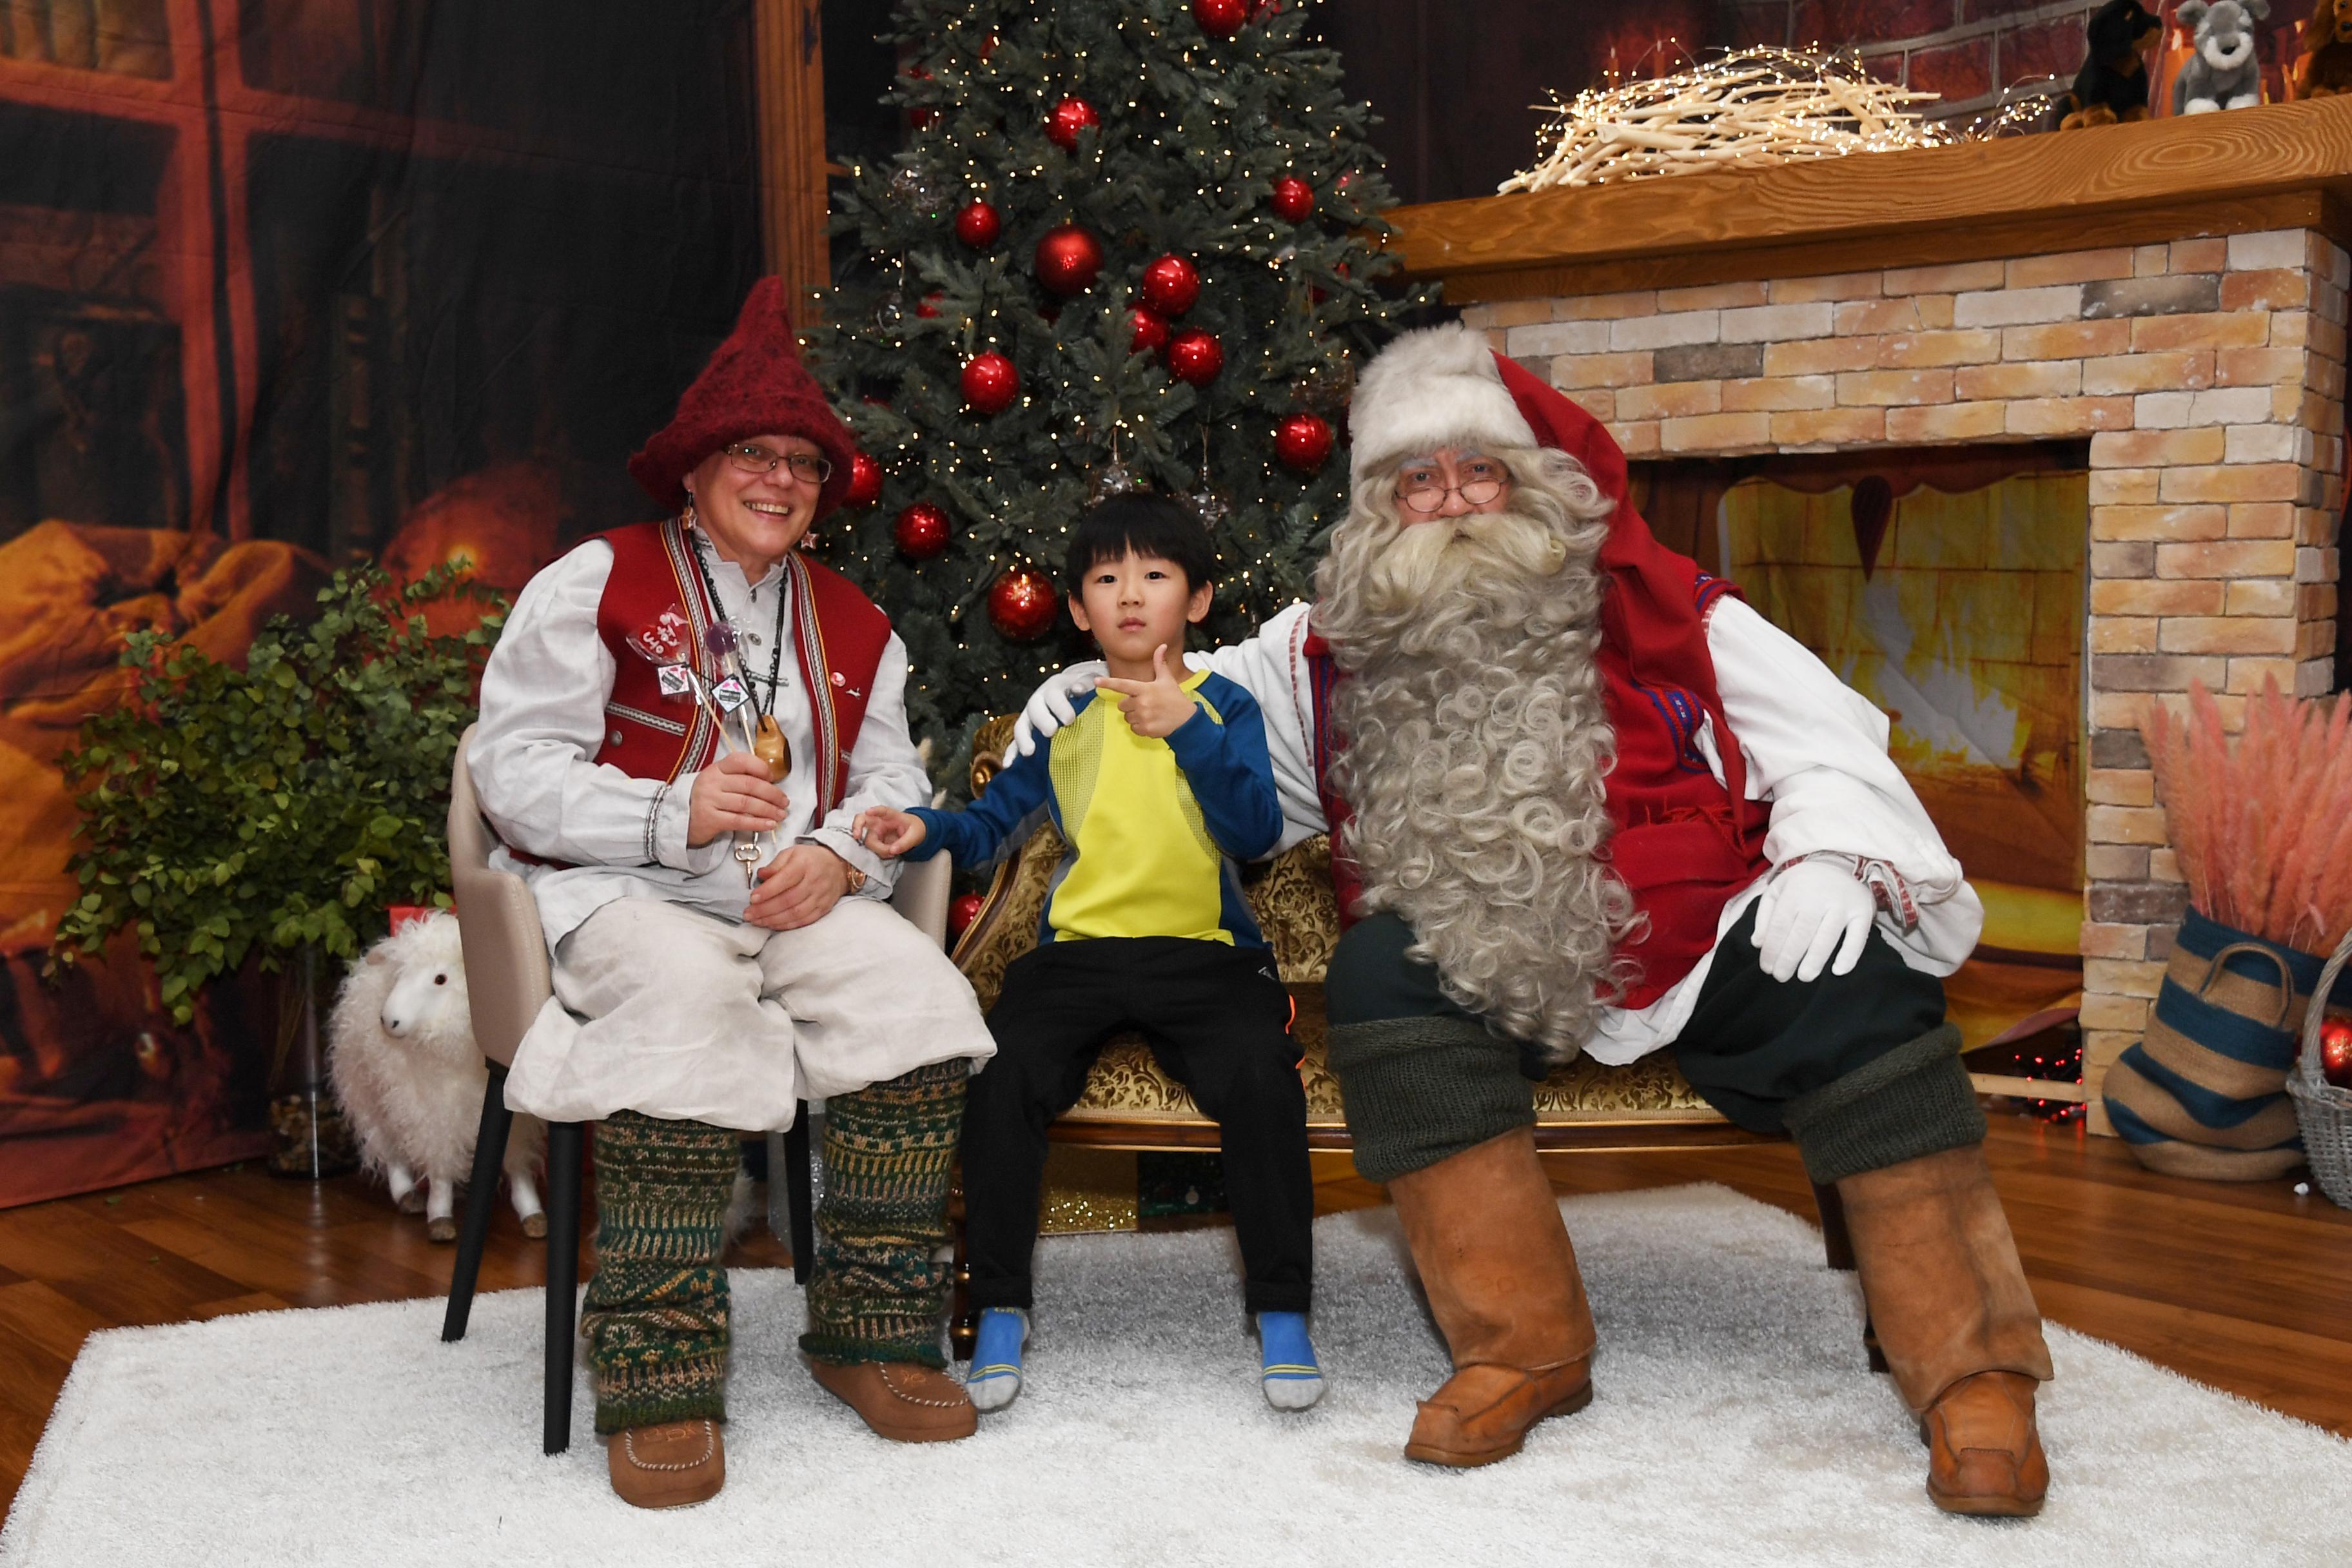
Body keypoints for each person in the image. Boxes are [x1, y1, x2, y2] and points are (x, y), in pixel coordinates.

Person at [1011, 324, 2053, 1517]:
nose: (1451, 502)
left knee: (1859, 985)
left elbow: (1826, 736)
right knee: (1382, 979)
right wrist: (1097, 685)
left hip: (1694, 935)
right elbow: (1205, 698)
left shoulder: (1669, 613)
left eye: (1479, 471)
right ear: (1379, 507)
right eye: (1418, 478)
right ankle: (1522, 1345)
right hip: (1477, 946)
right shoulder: (1322, 650)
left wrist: (1828, 860)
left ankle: (1975, 1371)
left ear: (1532, 485)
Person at [468, 278, 996, 1508]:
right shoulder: (593, 577)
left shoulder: (860, 621)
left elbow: (893, 780)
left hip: (795, 901)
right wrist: (670, 812)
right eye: (753, 455)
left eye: (804, 465)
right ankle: (654, 1362)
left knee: (917, 999)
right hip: (622, 895)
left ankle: (869, 1332)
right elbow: (511, 769)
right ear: (697, 470)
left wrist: (848, 857)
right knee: (685, 1004)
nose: (780, 480)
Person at [856, 494, 1319, 1413]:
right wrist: (922, 826)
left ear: (1197, 599)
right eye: (1107, 579)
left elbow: (1256, 830)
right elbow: (992, 824)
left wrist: (1184, 727)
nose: (1131, 594)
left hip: (1207, 955)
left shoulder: (1225, 705)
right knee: (1002, 1076)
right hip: (1078, 957)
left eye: (1155, 575)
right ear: (1077, 610)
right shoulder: (1066, 708)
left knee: (1261, 1079)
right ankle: (997, 1305)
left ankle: (1282, 1312)